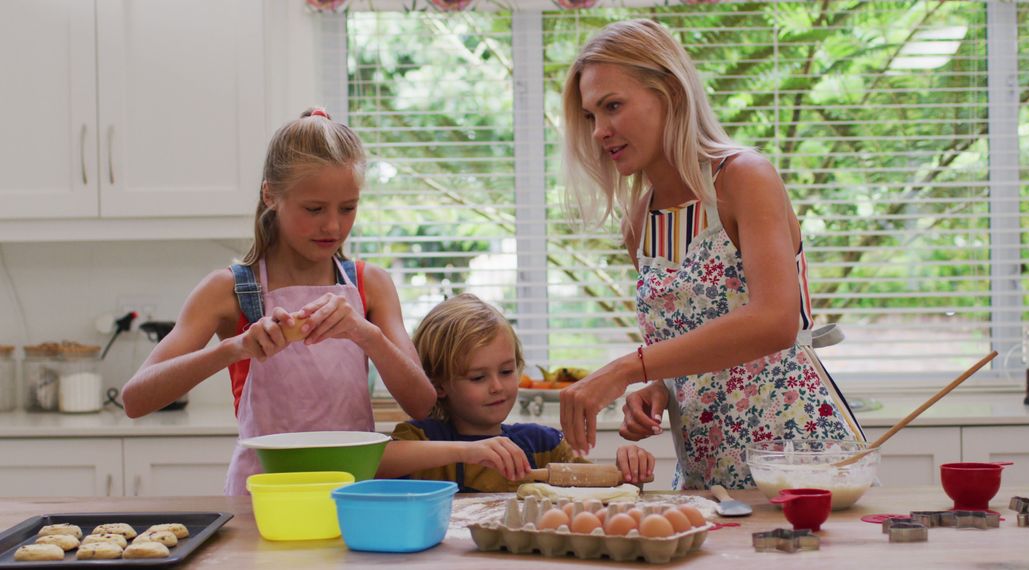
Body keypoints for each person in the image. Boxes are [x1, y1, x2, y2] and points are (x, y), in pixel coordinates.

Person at [557, 19, 865, 490]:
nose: (600, 131)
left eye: (612, 106)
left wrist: (628, 368)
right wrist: (657, 388)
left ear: (671, 94)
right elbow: (695, 349)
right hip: (706, 478)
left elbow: (775, 320)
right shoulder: (640, 222)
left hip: (800, 462)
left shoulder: (744, 178)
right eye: (590, 116)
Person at [120, 108, 436, 495]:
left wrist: (365, 334)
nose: (334, 226)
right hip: (262, 502)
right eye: (314, 209)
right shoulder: (229, 290)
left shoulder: (371, 285)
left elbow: (422, 403)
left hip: (352, 496)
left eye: (348, 208)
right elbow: (135, 399)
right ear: (271, 194)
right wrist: (237, 348)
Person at [376, 294, 654, 492]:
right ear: (438, 385)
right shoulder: (423, 440)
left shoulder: (544, 445)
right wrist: (467, 451)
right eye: (478, 377)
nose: (497, 386)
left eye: (507, 371)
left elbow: (598, 489)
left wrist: (628, 472)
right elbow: (376, 462)